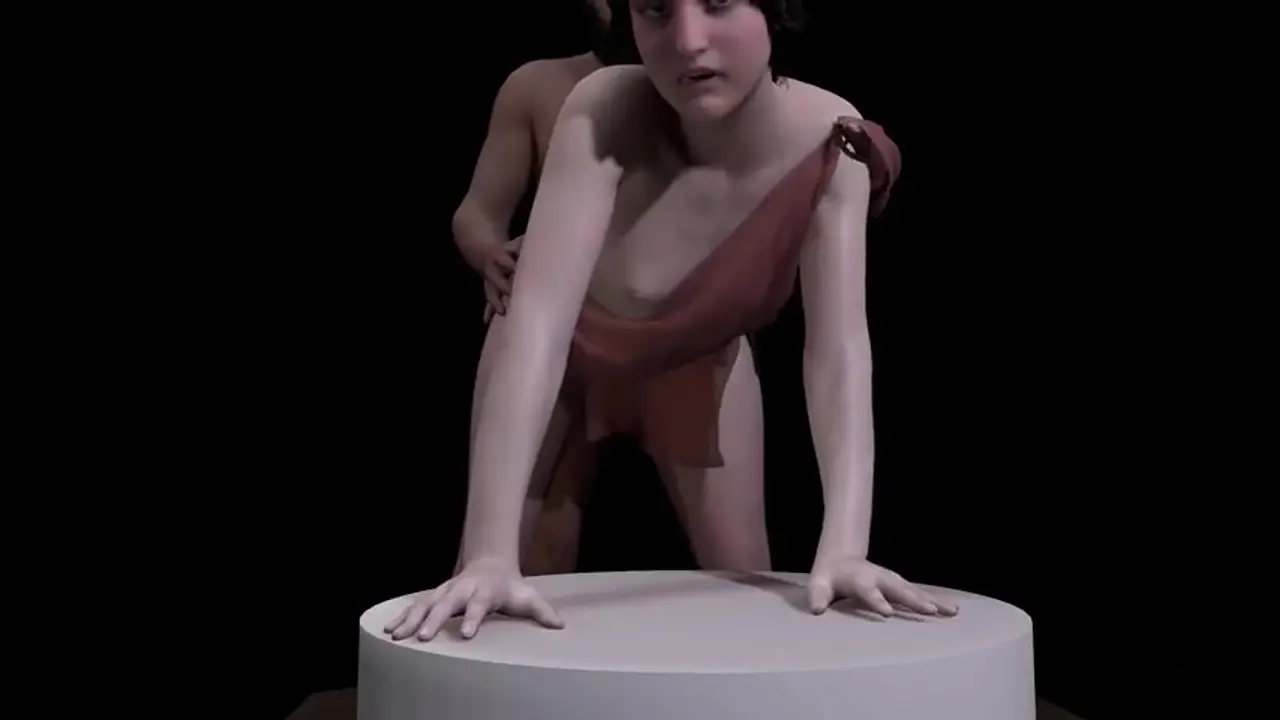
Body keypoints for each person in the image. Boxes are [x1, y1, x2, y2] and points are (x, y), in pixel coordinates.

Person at [392, 0, 946, 641]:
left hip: (696, 361)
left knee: (752, 593)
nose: (687, 41)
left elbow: (838, 349)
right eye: (655, 10)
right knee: (485, 588)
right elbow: (539, 323)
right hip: (565, 347)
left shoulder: (831, 138)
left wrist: (846, 544)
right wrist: (488, 552)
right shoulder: (605, 103)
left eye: (717, 3)